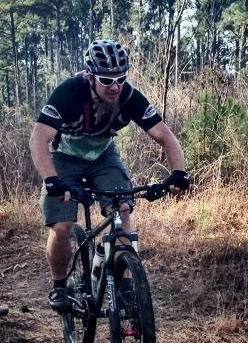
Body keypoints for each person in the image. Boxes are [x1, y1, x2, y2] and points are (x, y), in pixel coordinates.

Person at [30, 39, 189, 312]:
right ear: (90, 77)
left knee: (122, 210)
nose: (115, 86)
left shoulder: (128, 96)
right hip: (64, 157)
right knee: (63, 226)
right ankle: (59, 286)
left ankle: (126, 288)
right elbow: (39, 137)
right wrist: (51, 179)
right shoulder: (69, 92)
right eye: (106, 80)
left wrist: (178, 173)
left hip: (103, 156)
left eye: (120, 79)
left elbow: (163, 134)